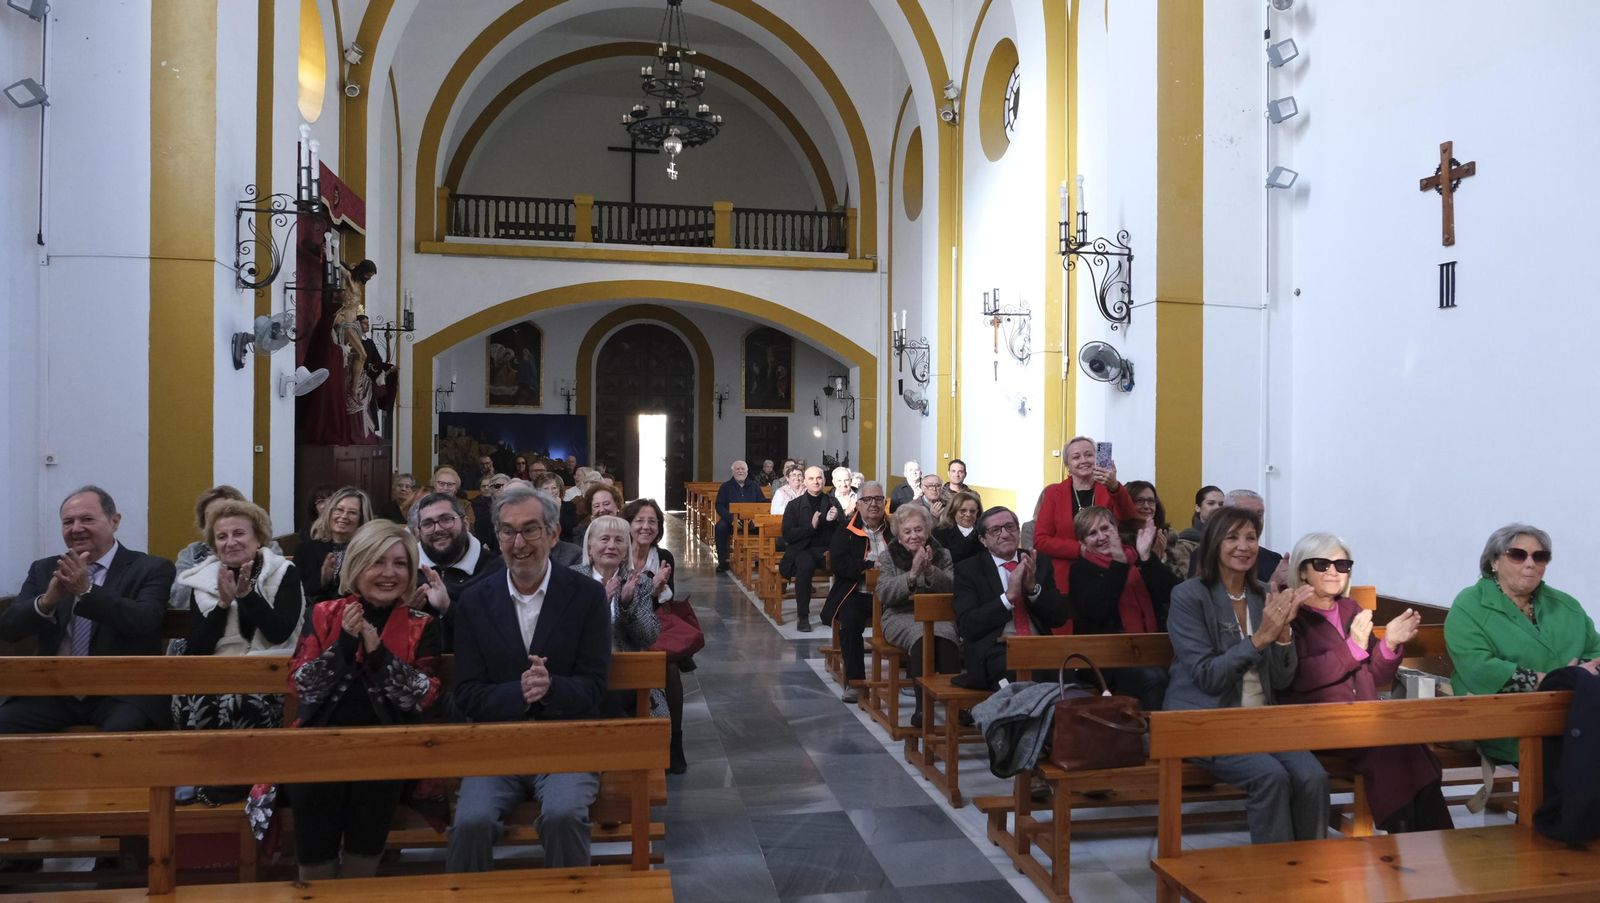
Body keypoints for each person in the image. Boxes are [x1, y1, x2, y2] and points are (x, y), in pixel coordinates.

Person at [448, 485, 612, 873]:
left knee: (563, 815)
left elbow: (595, 686)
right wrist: (518, 693)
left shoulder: (586, 596)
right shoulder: (475, 600)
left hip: (566, 741)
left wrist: (551, 688)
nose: (518, 542)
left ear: (554, 535)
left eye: (530, 530)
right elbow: (467, 692)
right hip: (498, 744)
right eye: (507, 531)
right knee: (470, 822)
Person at [285, 520, 441, 880]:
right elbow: (301, 686)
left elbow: (423, 696)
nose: (390, 573)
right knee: (313, 787)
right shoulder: (324, 614)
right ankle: (316, 881)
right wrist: (343, 645)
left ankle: (360, 881)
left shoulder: (422, 624)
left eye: (400, 564)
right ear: (357, 567)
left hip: (388, 748)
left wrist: (377, 653)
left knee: (378, 782)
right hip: (320, 745)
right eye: (378, 562)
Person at [1163, 505, 1328, 845]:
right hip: (1205, 722)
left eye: (1251, 537)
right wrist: (1261, 638)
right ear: (1213, 544)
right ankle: (1275, 880)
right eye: (1232, 537)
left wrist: (1283, 635)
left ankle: (1311, 872)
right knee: (1271, 777)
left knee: (1313, 777)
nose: (1244, 546)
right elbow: (1207, 676)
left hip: (1259, 721)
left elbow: (1281, 681)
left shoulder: (1263, 595)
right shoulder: (1188, 596)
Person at [1279, 532, 1450, 833]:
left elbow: (1376, 675)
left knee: (1409, 741)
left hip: (1361, 714)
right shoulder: (1292, 614)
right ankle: (1411, 835)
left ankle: (1425, 836)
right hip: (1315, 720)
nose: (1333, 572)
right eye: (1322, 564)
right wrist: (1353, 647)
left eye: (1342, 565)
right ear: (1303, 571)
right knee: (1389, 748)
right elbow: (1301, 676)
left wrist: (1390, 645)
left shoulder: (1351, 610)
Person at [0, 486, 174, 733]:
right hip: (54, 692)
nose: (76, 528)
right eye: (68, 522)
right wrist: (47, 601)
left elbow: (144, 620)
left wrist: (86, 591)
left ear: (114, 521)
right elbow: (8, 629)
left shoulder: (151, 568)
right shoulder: (44, 569)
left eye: (87, 519)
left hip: (122, 693)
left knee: (123, 734)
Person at [1445, 523, 1600, 764]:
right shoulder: (1469, 605)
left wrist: (1580, 677)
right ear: (1494, 562)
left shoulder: (1566, 605)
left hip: (1575, 715)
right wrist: (1555, 680)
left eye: (1540, 557)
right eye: (1518, 555)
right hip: (1507, 721)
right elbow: (1478, 668)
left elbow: (1596, 653)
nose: (1530, 563)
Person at [173, 500, 303, 733]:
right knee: (207, 705)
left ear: (258, 537)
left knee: (240, 704)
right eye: (222, 536)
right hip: (215, 673)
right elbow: (198, 648)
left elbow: (279, 633)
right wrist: (223, 605)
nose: (230, 542)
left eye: (239, 533)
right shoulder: (202, 579)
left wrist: (246, 596)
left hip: (271, 672)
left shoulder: (283, 572)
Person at [1065, 507, 1176, 711]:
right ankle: (1156, 739)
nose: (1101, 537)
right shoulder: (1081, 570)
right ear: (1083, 543)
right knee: (1154, 678)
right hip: (1106, 658)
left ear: (1116, 529)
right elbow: (1097, 611)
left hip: (1154, 649)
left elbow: (1173, 594)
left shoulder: (1138, 560)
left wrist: (1146, 557)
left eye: (1105, 528)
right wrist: (1119, 565)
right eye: (1092, 533)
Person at [951, 506, 1070, 690]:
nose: (1005, 534)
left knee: (1070, 677)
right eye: (996, 530)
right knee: (1021, 677)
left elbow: (1058, 618)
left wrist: (1033, 590)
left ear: (1019, 531)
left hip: (1040, 644)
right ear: (983, 540)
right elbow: (968, 625)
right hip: (995, 649)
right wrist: (1008, 598)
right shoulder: (969, 570)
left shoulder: (1038, 561)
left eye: (1010, 527)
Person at [574, 514, 664, 719]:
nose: (611, 546)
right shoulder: (572, 580)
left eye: (619, 540)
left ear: (626, 551)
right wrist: (599, 606)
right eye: (604, 539)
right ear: (590, 546)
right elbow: (565, 634)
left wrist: (627, 605)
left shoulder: (639, 582)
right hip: (582, 674)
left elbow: (648, 636)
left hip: (627, 676)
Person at [876, 503, 958, 725]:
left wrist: (931, 570)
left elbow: (953, 588)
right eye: (908, 531)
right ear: (900, 537)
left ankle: (956, 706)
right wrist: (911, 575)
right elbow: (884, 594)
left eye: (919, 530)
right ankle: (923, 708)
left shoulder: (943, 554)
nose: (914, 535)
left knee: (947, 639)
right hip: (901, 615)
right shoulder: (888, 556)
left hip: (938, 615)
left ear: (928, 530)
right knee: (922, 637)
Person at [622, 498, 688, 771]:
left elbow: (662, 604)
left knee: (669, 669)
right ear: (628, 524)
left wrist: (658, 587)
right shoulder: (617, 551)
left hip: (652, 625)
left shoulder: (663, 557)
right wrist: (651, 587)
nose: (646, 527)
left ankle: (674, 741)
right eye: (639, 521)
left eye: (652, 522)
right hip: (620, 627)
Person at [820, 482, 891, 705]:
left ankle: (911, 674)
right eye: (868, 500)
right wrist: (868, 567)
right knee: (850, 624)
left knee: (916, 618)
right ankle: (856, 680)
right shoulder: (845, 529)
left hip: (891, 594)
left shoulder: (895, 528)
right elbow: (839, 564)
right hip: (856, 592)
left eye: (878, 499)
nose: (873, 504)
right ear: (858, 504)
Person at [1034, 436, 1137, 590]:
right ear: (1068, 465)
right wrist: (1080, 549)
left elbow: (1128, 517)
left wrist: (1115, 486)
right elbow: (1040, 541)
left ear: (1096, 459)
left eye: (1089, 455)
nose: (1083, 460)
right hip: (1065, 577)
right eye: (1076, 457)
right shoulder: (1053, 493)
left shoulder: (1110, 488)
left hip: (1106, 571)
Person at [409, 492, 501, 651]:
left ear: (465, 523)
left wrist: (447, 607)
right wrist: (404, 613)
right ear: (419, 531)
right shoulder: (405, 569)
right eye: (428, 524)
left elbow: (497, 633)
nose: (437, 529)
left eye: (446, 519)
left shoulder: (493, 569)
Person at [780, 465, 842, 632]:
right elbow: (788, 535)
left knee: (845, 567)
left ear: (824, 480)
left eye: (819, 478)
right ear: (805, 482)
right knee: (804, 566)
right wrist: (811, 527)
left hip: (826, 551)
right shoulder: (794, 505)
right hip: (803, 550)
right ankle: (803, 616)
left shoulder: (832, 502)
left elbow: (844, 531)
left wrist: (834, 521)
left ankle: (835, 612)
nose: (816, 481)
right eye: (812, 478)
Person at [170, 484, 248, 609]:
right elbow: (179, 598)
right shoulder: (193, 552)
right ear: (203, 525)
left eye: (226, 514)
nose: (219, 522)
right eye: (212, 517)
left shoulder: (266, 548)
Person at [295, 487, 372, 603]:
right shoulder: (306, 549)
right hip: (314, 615)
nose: (344, 516)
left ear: (361, 519)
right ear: (330, 512)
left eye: (352, 512)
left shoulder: (368, 551)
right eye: (339, 510)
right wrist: (323, 580)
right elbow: (296, 591)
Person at [1124, 480, 1190, 581]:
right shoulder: (1119, 539)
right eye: (1139, 500)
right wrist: (1151, 559)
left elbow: (1182, 580)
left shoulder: (1167, 536)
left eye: (1151, 501)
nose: (1146, 506)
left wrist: (1162, 560)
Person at [1217, 489, 1283, 587]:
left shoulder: (1274, 559)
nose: (1255, 520)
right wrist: (1272, 584)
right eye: (1247, 514)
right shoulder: (1204, 556)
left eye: (1259, 515)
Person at [714, 460, 766, 573]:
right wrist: (731, 519)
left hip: (752, 521)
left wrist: (755, 518)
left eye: (743, 469)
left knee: (766, 528)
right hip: (731, 521)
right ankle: (724, 562)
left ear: (747, 472)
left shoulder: (754, 486)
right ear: (733, 472)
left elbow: (762, 504)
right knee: (719, 528)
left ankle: (761, 559)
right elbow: (719, 505)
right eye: (737, 469)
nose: (740, 471)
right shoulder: (725, 487)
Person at [529, 474, 583, 566]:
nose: (550, 492)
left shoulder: (569, 506)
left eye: (554, 488)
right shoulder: (534, 509)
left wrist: (557, 510)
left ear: (559, 490)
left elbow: (569, 529)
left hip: (565, 547)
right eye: (545, 488)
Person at [933, 489, 985, 565]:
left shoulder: (985, 533)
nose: (968, 514)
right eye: (963, 510)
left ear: (978, 512)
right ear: (953, 511)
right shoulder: (939, 533)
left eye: (972, 511)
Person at [472, 473, 510, 552]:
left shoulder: (520, 510)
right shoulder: (484, 515)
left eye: (505, 486)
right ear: (491, 489)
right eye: (497, 486)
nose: (502, 489)